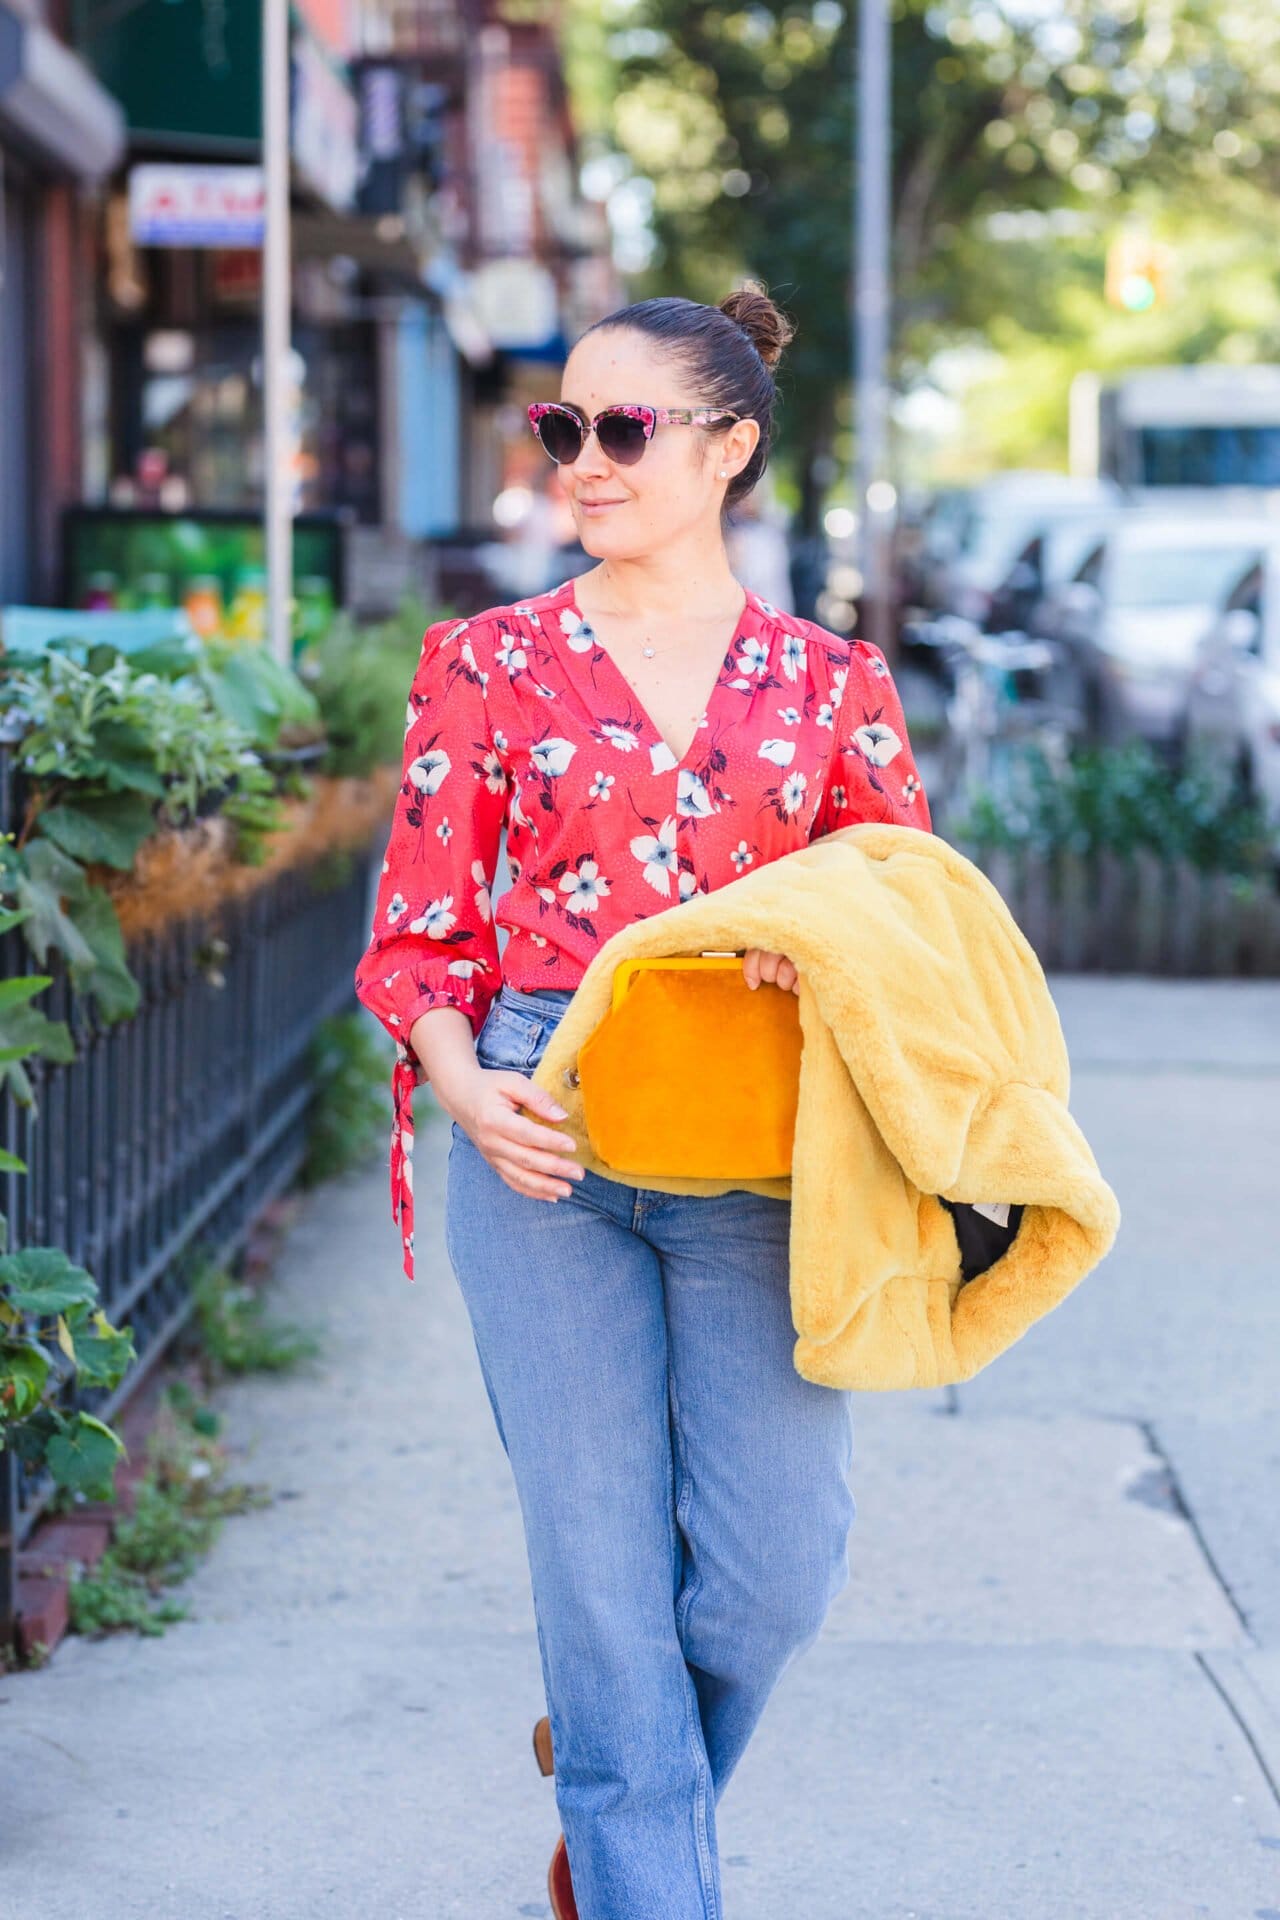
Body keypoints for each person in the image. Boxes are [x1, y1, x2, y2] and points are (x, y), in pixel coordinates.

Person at [353, 283, 933, 1920]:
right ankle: (629, 1840)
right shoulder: (487, 662)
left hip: (756, 1154)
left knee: (769, 1578)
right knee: (604, 1597)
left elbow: (915, 919)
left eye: (623, 428)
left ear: (731, 443)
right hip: (546, 1137)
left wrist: (818, 957)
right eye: (562, 429)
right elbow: (418, 933)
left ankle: (620, 1778)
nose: (582, 461)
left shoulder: (833, 686)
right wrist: (469, 1092)